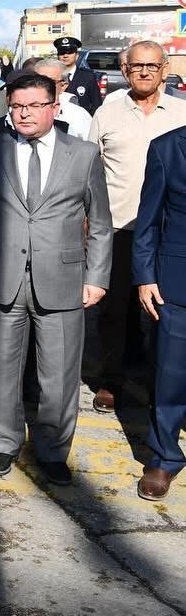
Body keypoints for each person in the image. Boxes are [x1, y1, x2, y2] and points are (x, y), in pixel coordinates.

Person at [0, 72, 113, 484]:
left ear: (54, 107)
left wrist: (97, 277)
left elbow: (99, 222)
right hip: (1, 279)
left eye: (33, 105)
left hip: (63, 280)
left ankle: (51, 450)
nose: (24, 113)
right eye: (16, 106)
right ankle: (5, 442)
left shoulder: (82, 154)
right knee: (2, 368)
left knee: (60, 375)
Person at [87, 41, 186, 413]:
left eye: (152, 66)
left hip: (171, 232)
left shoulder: (182, 112)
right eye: (137, 66)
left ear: (164, 69)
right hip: (119, 228)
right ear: (125, 71)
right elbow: (91, 171)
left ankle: (161, 381)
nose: (144, 72)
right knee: (116, 312)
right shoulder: (107, 113)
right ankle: (112, 380)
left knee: (167, 313)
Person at [135, 125, 186, 499]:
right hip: (176, 281)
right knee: (171, 374)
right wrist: (146, 276)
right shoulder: (168, 148)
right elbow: (149, 220)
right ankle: (164, 456)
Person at [34, 59, 92, 139]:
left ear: (63, 86)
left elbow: (90, 147)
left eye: (50, 82)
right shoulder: (20, 111)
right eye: (37, 81)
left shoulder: (78, 116)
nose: (42, 86)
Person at [55, 35, 102, 115]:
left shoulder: (88, 76)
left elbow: (96, 104)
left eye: (69, 52)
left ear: (77, 56)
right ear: (58, 56)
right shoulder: (52, 76)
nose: (65, 56)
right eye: (62, 53)